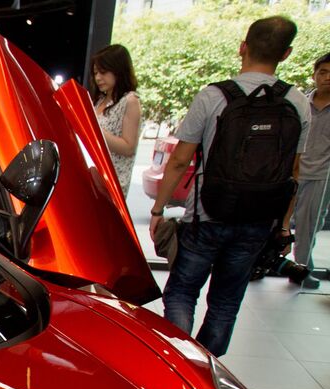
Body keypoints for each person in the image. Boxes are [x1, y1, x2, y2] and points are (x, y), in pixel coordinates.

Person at [150, 16, 311, 357]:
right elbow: (294, 171)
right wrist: (283, 225)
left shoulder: (213, 96)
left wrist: (158, 209)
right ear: (286, 53)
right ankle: (209, 367)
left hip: (207, 214)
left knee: (182, 291)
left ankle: (180, 363)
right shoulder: (297, 103)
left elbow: (180, 160)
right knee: (226, 299)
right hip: (258, 219)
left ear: (243, 47)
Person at [288, 52, 330, 290]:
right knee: (272, 223)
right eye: (322, 72)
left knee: (308, 225)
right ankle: (261, 265)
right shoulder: (300, 103)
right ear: (314, 75)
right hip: (290, 173)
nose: (327, 78)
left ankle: (302, 269)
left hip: (320, 176)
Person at [90, 44, 141, 199]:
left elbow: (128, 147)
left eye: (103, 72)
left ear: (118, 69)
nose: (98, 78)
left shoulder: (130, 101)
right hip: (92, 176)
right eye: (96, 73)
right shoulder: (99, 100)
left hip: (110, 183)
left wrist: (95, 130)